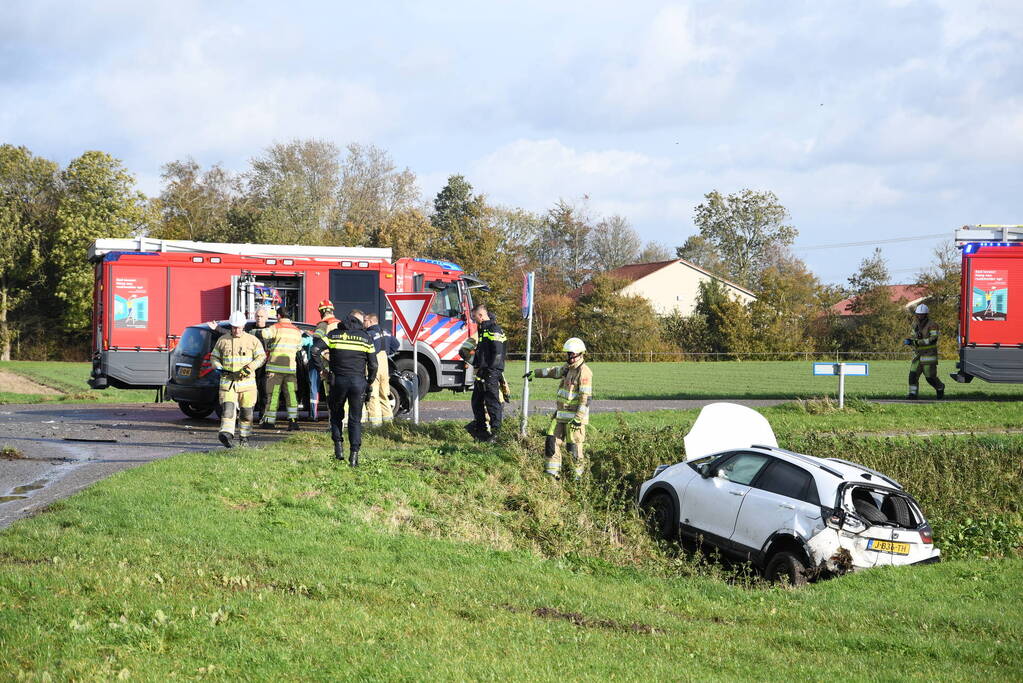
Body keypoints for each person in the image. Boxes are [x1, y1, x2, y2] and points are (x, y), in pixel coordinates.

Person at [312, 311, 377, 466]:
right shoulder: (366, 338)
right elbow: (374, 365)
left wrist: (322, 371)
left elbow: (314, 350)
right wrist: (369, 382)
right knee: (355, 419)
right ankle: (354, 457)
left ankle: (338, 449)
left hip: (337, 382)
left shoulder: (334, 335)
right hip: (358, 383)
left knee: (336, 415)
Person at [524, 337, 593, 479]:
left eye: (571, 354)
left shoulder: (584, 372)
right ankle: (552, 475)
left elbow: (585, 398)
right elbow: (553, 371)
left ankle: (577, 479)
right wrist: (535, 373)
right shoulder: (568, 368)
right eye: (568, 354)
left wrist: (578, 419)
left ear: (580, 354)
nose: (569, 357)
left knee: (573, 448)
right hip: (561, 415)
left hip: (575, 419)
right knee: (551, 441)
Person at [209, 311, 266, 448]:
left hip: (247, 385)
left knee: (247, 413)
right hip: (228, 383)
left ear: (244, 326)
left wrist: (250, 367)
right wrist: (217, 366)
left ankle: (244, 438)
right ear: (231, 326)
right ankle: (226, 434)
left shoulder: (252, 340)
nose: (237, 330)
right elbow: (214, 357)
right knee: (228, 410)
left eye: (239, 327)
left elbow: (261, 357)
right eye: (234, 327)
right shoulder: (223, 340)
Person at [465, 304, 506, 442]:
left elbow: (498, 353)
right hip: (482, 372)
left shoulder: (494, 329)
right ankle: (481, 432)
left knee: (492, 402)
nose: (474, 320)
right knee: (476, 401)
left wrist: (490, 371)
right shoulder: (482, 330)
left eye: (475, 317)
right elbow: (481, 353)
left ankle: (497, 433)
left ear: (481, 315)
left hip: (491, 372)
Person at [260, 307, 304, 430]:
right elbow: (299, 347)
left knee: (273, 395)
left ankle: (269, 421)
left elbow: (264, 334)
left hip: (275, 370)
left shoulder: (276, 327)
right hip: (290, 370)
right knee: (291, 395)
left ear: (279, 316)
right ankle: (293, 421)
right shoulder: (296, 331)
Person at [364, 313, 399, 426]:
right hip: (385, 365)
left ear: (370, 321)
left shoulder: (369, 334)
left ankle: (376, 425)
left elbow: (366, 352)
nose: (363, 323)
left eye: (365, 320)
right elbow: (396, 345)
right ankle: (389, 423)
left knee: (373, 394)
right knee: (384, 394)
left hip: (373, 364)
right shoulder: (387, 332)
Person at [308, 300, 340, 421]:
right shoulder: (339, 323)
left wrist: (309, 334)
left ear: (321, 311)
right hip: (337, 361)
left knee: (315, 388)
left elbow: (317, 338)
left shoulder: (323, 324)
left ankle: (313, 415)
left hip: (322, 362)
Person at [905, 303, 944, 400]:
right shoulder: (915, 325)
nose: (919, 316)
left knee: (930, 377)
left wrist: (917, 342)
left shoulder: (933, 325)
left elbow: (933, 339)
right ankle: (913, 394)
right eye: (918, 314)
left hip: (929, 355)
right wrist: (910, 341)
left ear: (926, 315)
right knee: (912, 375)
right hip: (917, 355)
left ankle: (940, 387)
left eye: (921, 314)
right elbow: (913, 337)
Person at [250, 306, 272, 419]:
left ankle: (262, 416)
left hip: (266, 367)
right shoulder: (249, 330)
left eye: (261, 316)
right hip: (252, 366)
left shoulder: (271, 331)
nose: (259, 318)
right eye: (257, 316)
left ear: (266, 318)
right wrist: (218, 329)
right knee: (251, 393)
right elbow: (233, 333)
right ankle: (248, 416)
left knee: (264, 392)